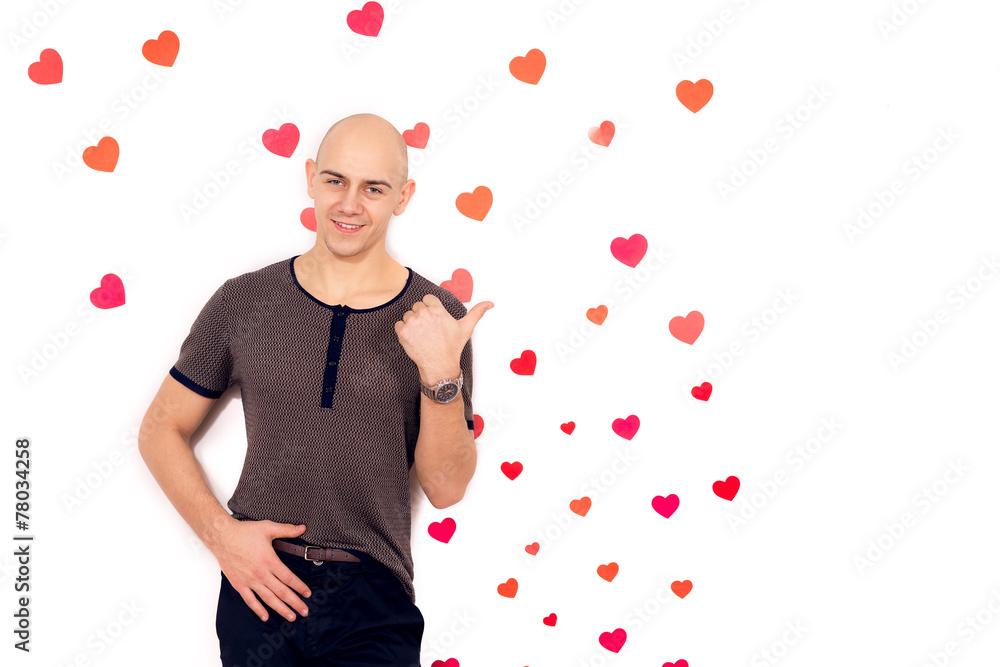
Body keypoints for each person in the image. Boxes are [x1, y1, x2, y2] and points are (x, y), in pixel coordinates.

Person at [138, 112, 493, 666]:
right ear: (310, 178)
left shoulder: (437, 318)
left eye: (373, 188)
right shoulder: (243, 301)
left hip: (374, 596)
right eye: (335, 181)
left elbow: (446, 489)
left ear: (402, 198)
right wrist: (223, 537)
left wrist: (440, 372)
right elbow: (160, 430)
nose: (349, 204)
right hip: (262, 583)